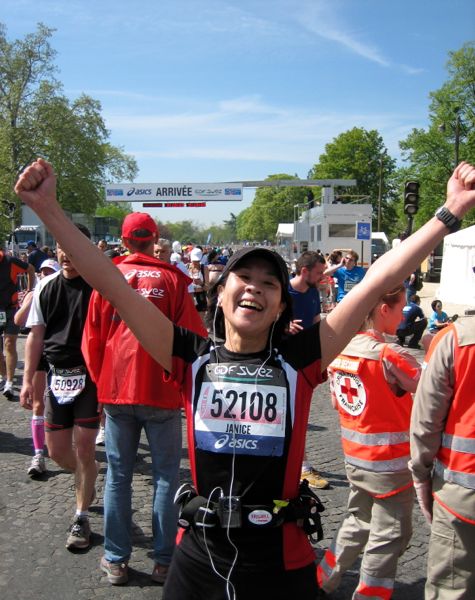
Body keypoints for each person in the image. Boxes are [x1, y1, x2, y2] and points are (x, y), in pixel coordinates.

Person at [14, 158, 475, 600]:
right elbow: (110, 282)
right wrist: (47, 208)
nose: (255, 286)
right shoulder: (187, 355)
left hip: (281, 560)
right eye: (244, 276)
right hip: (198, 556)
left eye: (269, 283)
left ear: (280, 307)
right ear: (220, 296)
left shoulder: (300, 359)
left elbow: (377, 280)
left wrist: (450, 210)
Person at [82, 212, 207, 585]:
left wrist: (102, 385)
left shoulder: (109, 278)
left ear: (123, 241)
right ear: (155, 241)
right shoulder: (172, 280)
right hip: (162, 389)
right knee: (166, 477)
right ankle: (165, 561)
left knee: (118, 476)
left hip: (118, 389)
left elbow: (92, 339)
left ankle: (116, 559)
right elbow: (194, 338)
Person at [317, 285, 421, 599]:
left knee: (357, 520)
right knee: (388, 536)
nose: (404, 313)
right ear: (381, 309)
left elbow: (339, 404)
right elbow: (435, 391)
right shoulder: (390, 354)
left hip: (355, 458)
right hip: (391, 465)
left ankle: (323, 579)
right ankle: (369, 595)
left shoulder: (340, 351)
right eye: (401, 306)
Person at [20, 223, 100, 551]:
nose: (66, 254)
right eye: (61, 247)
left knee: (84, 446)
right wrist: (27, 381)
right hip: (56, 376)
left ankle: (81, 516)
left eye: (73, 246)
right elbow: (35, 335)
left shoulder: (99, 286)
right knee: (57, 452)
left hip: (90, 377)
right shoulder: (46, 287)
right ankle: (88, 475)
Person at [409, 282, 475, 599]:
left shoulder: (454, 339)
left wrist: (421, 476)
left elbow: (426, 421)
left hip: (462, 494)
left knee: (451, 589)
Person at [15, 259, 60, 476]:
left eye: (49, 271)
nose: (44, 275)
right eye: (42, 272)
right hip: (40, 354)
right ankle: (38, 454)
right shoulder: (37, 292)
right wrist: (28, 301)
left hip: (61, 355)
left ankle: (65, 446)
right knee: (37, 404)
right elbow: (18, 321)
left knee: (62, 405)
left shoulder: (61, 291)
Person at [288, 251, 330, 490]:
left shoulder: (313, 291)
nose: (322, 276)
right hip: (282, 360)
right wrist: (282, 324)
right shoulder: (284, 291)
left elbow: (315, 322)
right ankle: (301, 467)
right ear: (305, 271)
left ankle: (299, 465)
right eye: (318, 272)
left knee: (299, 416)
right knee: (292, 416)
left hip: (304, 362)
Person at [0, 245, 35, 399]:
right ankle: (3, 376)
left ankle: (9, 382)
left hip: (10, 308)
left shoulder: (10, 261)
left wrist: (29, 289)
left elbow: (31, 269)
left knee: (9, 343)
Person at [188, 247, 207, 311]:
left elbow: (208, 287)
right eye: (194, 260)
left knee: (201, 319)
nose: (196, 262)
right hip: (189, 296)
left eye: (198, 261)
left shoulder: (204, 268)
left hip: (200, 296)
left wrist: (201, 283)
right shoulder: (187, 267)